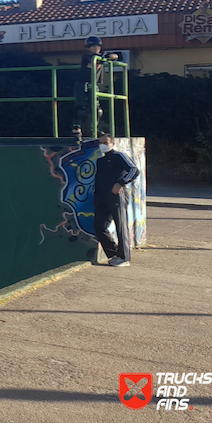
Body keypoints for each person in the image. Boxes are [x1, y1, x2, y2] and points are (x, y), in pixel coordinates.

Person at [93, 133, 140, 267]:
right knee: (99, 226)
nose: (103, 145)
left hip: (116, 195)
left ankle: (124, 258)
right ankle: (114, 254)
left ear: (112, 144)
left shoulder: (119, 156)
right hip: (102, 197)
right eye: (100, 142)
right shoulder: (100, 161)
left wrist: (120, 183)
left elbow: (133, 170)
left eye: (106, 143)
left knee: (120, 225)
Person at [72, 36, 117, 139]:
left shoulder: (100, 56)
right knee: (81, 107)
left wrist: (111, 56)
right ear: (88, 47)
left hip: (94, 84)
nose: (96, 48)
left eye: (98, 46)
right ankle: (76, 128)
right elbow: (92, 63)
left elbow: (115, 56)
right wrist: (104, 58)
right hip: (82, 83)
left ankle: (93, 129)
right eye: (93, 46)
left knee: (97, 110)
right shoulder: (87, 56)